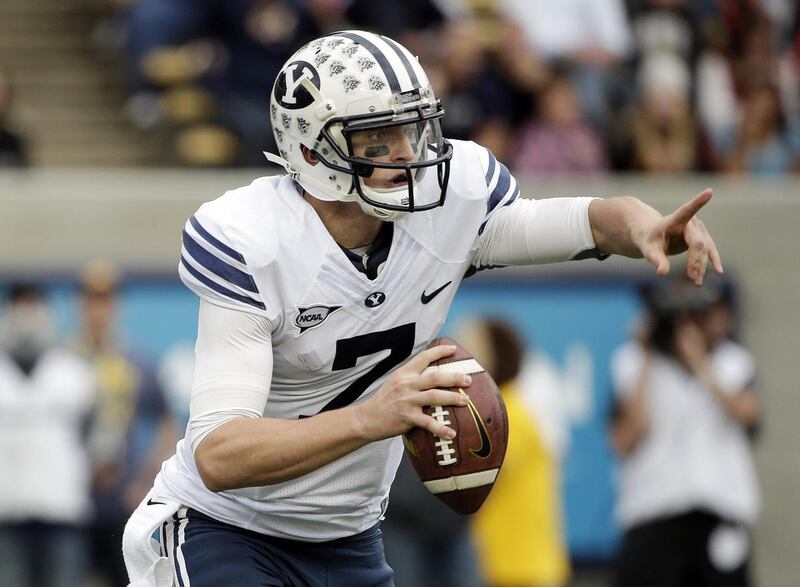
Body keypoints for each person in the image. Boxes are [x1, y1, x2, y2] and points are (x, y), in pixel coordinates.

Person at [122, 30, 722, 587]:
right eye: (378, 138)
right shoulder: (253, 239)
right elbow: (220, 454)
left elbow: (576, 223)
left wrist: (641, 224)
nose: (409, 154)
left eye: (413, 130)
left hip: (348, 538)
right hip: (225, 528)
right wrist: (370, 417)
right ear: (314, 151)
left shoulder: (450, 201)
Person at [609, 277, 760, 587]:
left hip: (718, 508)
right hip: (652, 511)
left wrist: (701, 363)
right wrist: (648, 352)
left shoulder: (733, 362)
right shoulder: (631, 362)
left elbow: (747, 415)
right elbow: (626, 438)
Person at [71, 261, 177, 587]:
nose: (98, 309)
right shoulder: (65, 358)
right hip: (72, 499)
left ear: (116, 304)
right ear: (80, 303)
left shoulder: (135, 360)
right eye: (92, 298)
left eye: (105, 299)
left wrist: (145, 483)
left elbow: (167, 424)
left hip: (122, 499)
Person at [459, 318, 570, 587]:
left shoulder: (504, 413)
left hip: (520, 566)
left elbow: (477, 478)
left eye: (466, 351)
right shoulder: (508, 407)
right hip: (513, 564)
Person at [0, 283, 96, 587]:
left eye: (33, 305)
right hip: (7, 510)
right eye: (20, 305)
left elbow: (91, 434)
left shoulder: (74, 372)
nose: (27, 315)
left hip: (62, 509)